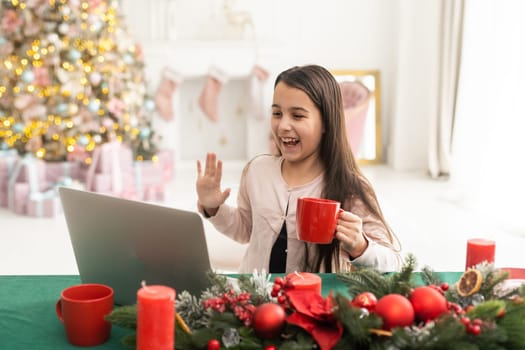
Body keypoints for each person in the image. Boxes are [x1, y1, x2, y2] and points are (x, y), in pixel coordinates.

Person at [196, 64, 402, 274]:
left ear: (326, 123)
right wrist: (213, 208)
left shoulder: (349, 186)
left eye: (297, 116)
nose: (283, 125)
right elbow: (245, 230)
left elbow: (393, 262)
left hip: (314, 301)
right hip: (257, 297)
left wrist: (360, 246)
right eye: (277, 113)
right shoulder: (257, 171)